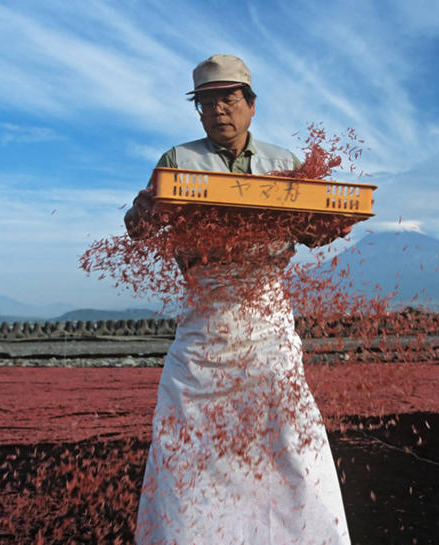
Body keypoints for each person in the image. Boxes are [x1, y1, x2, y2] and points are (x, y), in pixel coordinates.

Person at [128, 54, 351, 545]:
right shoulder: (177, 162)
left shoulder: (286, 166)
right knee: (189, 443)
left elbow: (312, 230)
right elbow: (141, 229)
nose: (218, 110)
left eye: (229, 98)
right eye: (207, 102)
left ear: (251, 105)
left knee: (290, 440)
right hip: (205, 322)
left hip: (268, 320)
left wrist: (333, 225)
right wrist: (141, 212)